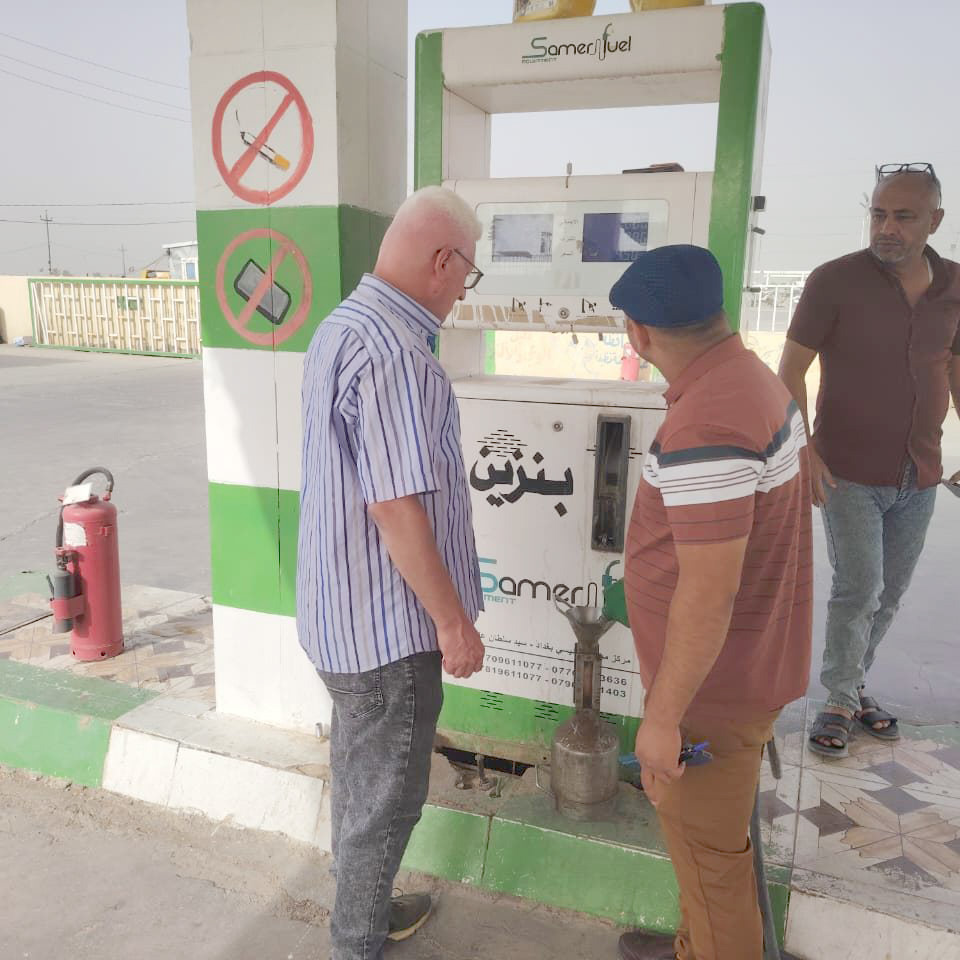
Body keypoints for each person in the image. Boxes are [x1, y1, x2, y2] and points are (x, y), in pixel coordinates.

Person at [296, 186, 486, 960]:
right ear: (444, 260)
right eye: (468, 273)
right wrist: (452, 622)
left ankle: (363, 907)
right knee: (386, 803)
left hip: (340, 618)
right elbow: (396, 509)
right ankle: (355, 943)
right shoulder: (396, 354)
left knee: (358, 779)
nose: (463, 291)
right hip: (387, 631)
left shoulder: (343, 326)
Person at [612, 246, 812, 960]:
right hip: (738, 671)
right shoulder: (749, 380)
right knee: (707, 853)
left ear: (638, 333)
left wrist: (664, 719)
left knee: (713, 864)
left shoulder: (709, 423)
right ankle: (691, 945)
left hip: (711, 692)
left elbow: (708, 591)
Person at [779, 164, 960, 759]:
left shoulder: (955, 285)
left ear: (935, 220)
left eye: (903, 216)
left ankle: (854, 686)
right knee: (859, 587)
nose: (887, 227)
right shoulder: (834, 281)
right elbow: (790, 370)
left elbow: (954, 368)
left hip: (921, 473)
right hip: (847, 469)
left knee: (890, 592)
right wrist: (804, 450)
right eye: (879, 213)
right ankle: (837, 698)